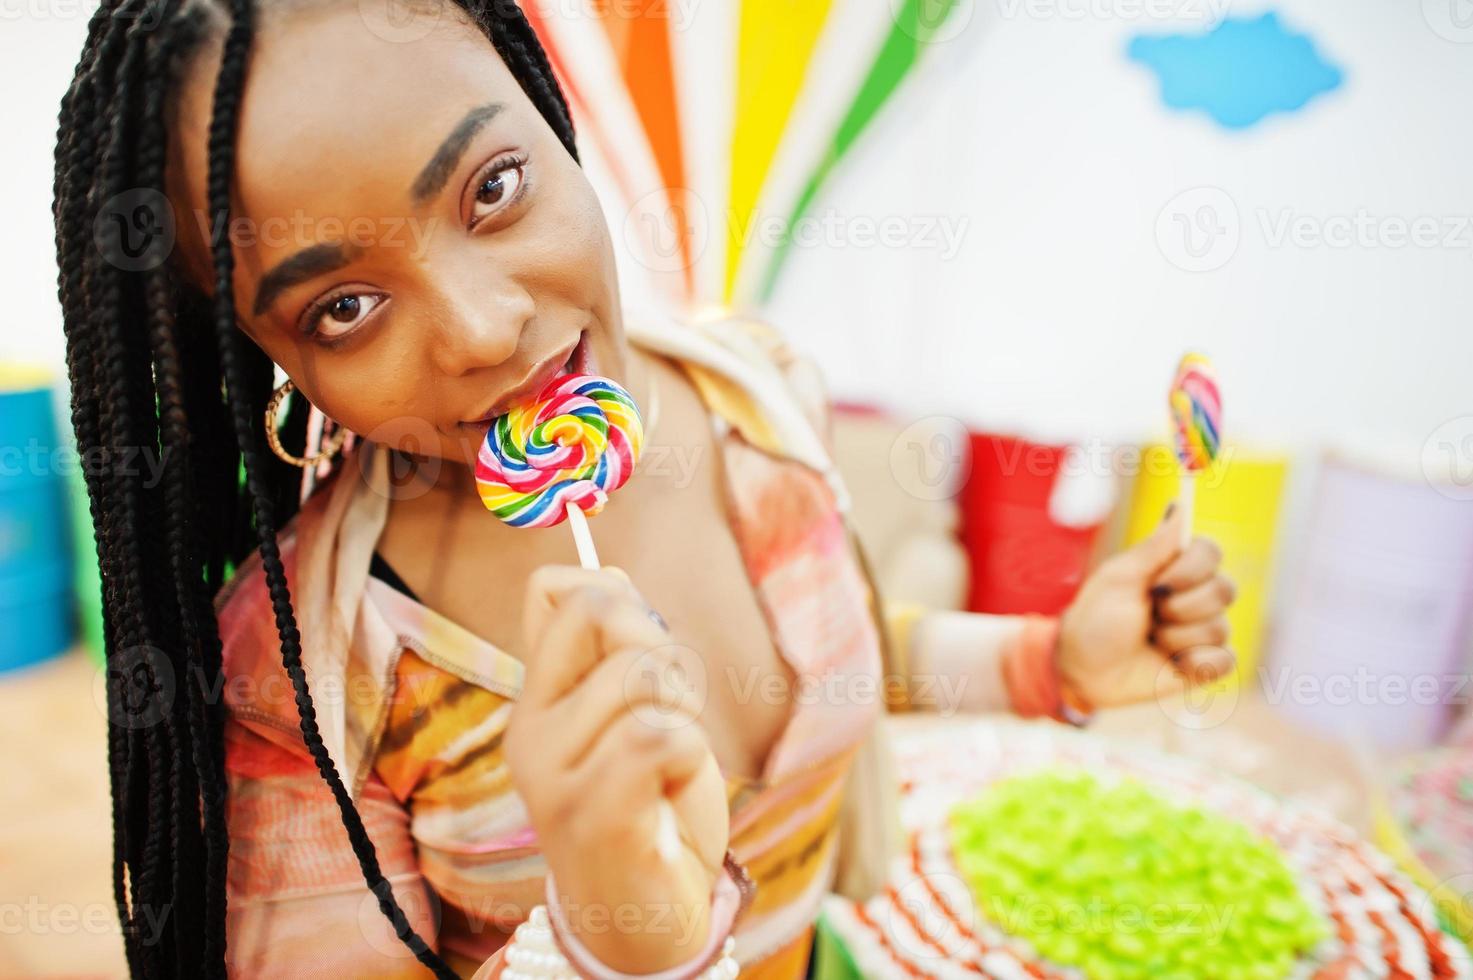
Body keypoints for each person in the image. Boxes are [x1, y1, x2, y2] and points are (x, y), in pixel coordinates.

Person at [52, 0, 1238, 975]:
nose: (486, 326)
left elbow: (851, 648)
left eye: (493, 187)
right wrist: (616, 934)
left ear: (551, 117)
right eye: (343, 308)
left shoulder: (750, 392)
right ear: (275, 361)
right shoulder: (296, 684)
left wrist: (1052, 662)